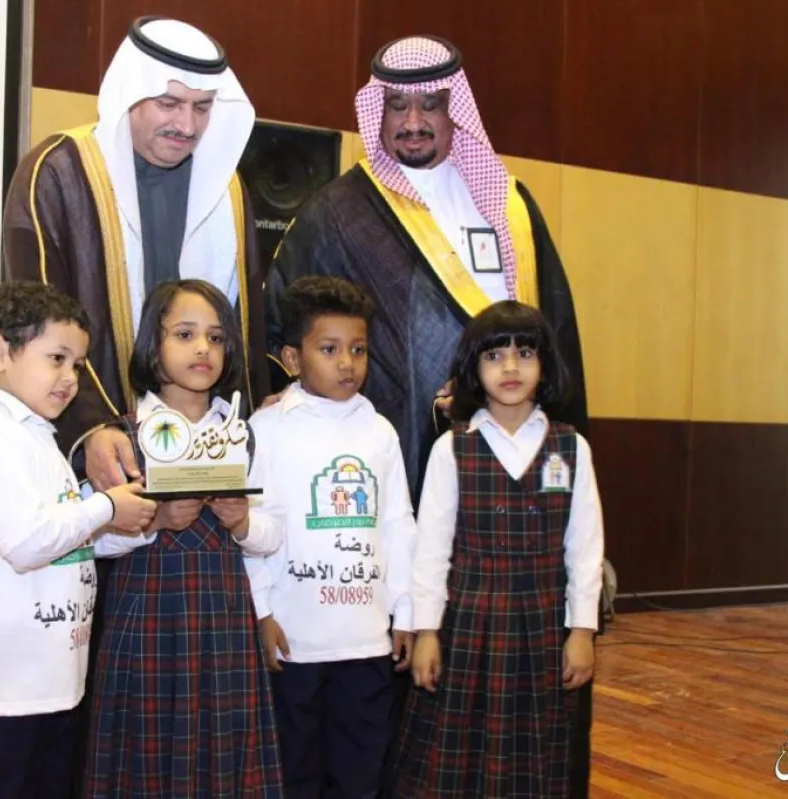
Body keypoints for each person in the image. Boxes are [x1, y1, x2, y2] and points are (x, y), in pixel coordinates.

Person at [265, 34, 596, 794]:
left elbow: (556, 333)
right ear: (375, 112)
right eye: (397, 107)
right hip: (392, 479)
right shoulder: (339, 212)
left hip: (517, 486)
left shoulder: (511, 206)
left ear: (458, 112)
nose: (413, 122)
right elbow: (287, 326)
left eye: (431, 106)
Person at [1, 15, 271, 489]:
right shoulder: (59, 172)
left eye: (202, 107)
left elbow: (243, 325)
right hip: (93, 453)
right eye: (169, 104)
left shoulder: (226, 188)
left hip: (201, 453)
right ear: (131, 93)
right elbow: (37, 319)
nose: (187, 125)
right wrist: (91, 427)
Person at [0, 281, 157, 799]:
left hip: (53, 683)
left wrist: (136, 528)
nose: (70, 377)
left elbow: (68, 544)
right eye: (56, 358)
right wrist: (107, 507)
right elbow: (28, 542)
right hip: (0, 693)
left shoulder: (38, 438)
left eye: (78, 364)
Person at [391, 300, 605, 798]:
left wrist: (582, 631)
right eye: (494, 356)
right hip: (468, 622)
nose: (510, 367)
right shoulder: (453, 448)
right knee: (457, 749)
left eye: (524, 353)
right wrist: (427, 631)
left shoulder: (571, 448)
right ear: (474, 368)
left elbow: (585, 548)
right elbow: (432, 551)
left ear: (544, 364)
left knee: (536, 749)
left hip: (543, 624)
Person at [83, 279, 284, 797]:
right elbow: (90, 539)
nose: (203, 349)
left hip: (224, 618)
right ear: (153, 344)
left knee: (224, 754)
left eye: (216, 338)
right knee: (147, 755)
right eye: (185, 334)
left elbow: (272, 533)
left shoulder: (242, 434)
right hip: (147, 614)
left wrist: (241, 522)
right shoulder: (122, 437)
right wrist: (153, 523)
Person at [245, 276, 417, 798]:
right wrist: (261, 611)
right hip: (294, 639)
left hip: (366, 638)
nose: (347, 363)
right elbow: (249, 524)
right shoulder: (266, 428)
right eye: (329, 349)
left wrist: (406, 611)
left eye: (358, 350)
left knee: (360, 770)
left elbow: (398, 524)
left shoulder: (380, 432)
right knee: (294, 771)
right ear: (292, 359)